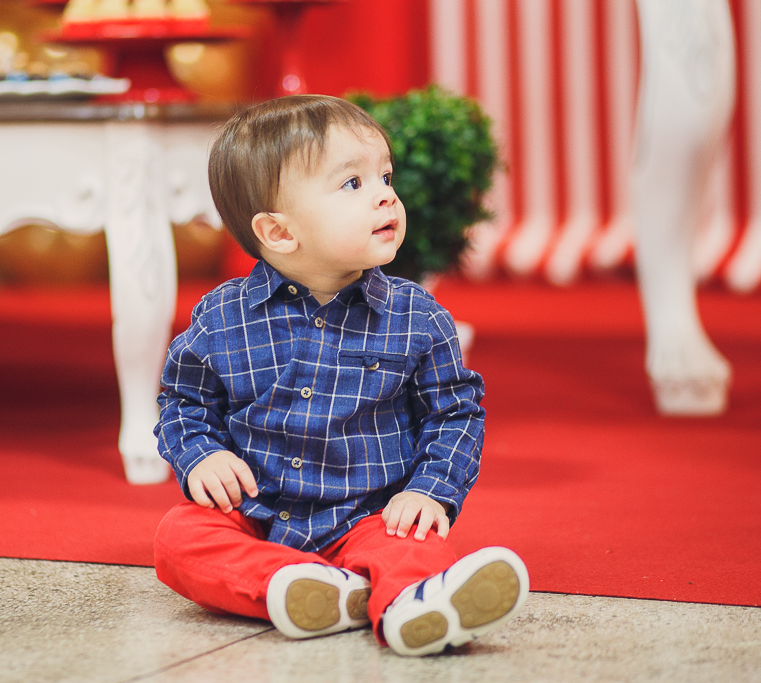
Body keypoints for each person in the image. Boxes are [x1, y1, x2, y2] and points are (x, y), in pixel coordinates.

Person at [153, 95, 528, 656]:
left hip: (369, 513)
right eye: (352, 184)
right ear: (279, 233)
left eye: (385, 176)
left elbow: (454, 415)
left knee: (413, 540)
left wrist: (430, 492)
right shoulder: (222, 316)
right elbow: (183, 401)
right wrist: (200, 455)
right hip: (257, 515)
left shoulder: (417, 318)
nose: (386, 195)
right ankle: (299, 587)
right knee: (179, 540)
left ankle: (411, 606)